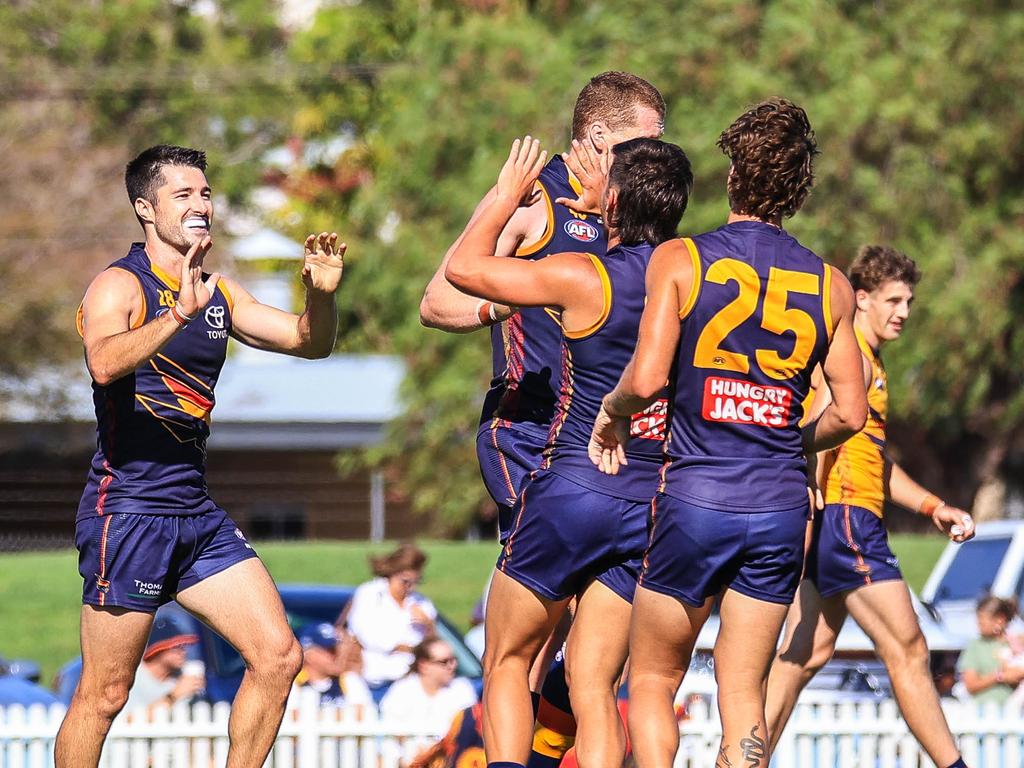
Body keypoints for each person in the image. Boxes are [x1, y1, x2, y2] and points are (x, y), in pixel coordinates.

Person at [588, 99, 868, 768]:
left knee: (651, 681)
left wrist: (611, 412)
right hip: (778, 508)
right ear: (798, 190)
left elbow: (648, 376)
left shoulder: (682, 260)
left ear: (733, 175)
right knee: (743, 693)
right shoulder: (832, 286)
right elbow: (851, 415)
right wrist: (791, 440)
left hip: (696, 498)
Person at [57, 144, 346, 768]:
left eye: (206, 193)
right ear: (145, 208)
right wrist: (176, 314)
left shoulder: (221, 292)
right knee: (105, 694)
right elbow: (104, 361)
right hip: (127, 511)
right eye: (183, 195)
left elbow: (308, 342)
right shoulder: (118, 283)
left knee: (279, 656)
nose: (200, 205)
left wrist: (320, 296)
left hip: (195, 513)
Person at [422, 70, 667, 768]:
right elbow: (437, 301)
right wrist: (517, 299)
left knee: (595, 654)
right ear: (597, 137)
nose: (654, 156)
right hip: (527, 432)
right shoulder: (536, 199)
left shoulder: (630, 214)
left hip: (608, 451)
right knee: (532, 636)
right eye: (641, 143)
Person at [764, 245, 974, 768]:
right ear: (861, 298)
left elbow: (873, 459)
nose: (904, 311)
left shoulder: (873, 363)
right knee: (910, 649)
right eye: (893, 299)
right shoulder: (850, 354)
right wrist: (806, 505)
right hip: (846, 518)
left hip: (845, 515)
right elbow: (812, 429)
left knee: (802, 655)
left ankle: (741, 758)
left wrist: (932, 507)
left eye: (910, 301)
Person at [346, 543, 438, 692]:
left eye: (416, 581)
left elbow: (434, 644)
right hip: (373, 682)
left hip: (411, 683)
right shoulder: (370, 593)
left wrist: (428, 624)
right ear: (392, 572)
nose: (411, 587)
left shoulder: (422, 603)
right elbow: (364, 635)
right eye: (406, 581)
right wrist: (405, 647)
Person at [380, 637, 478, 732]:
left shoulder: (462, 689)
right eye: (444, 661)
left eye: (454, 659)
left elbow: (469, 729)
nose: (452, 665)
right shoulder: (402, 691)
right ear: (424, 665)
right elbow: (391, 730)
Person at [122, 616, 204, 715]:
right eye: (176, 646)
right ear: (157, 649)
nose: (183, 652)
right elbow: (130, 719)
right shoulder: (131, 677)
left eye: (183, 646)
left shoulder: (181, 679)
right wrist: (174, 696)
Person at [956, 596, 1024, 706]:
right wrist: (998, 677)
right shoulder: (975, 646)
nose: (978, 626)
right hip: (983, 711)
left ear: (1000, 620)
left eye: (982, 622)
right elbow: (970, 685)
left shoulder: (1015, 643)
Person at [291, 622, 373, 710]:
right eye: (328, 650)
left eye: (335, 649)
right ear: (307, 653)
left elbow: (366, 716)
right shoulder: (293, 684)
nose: (336, 655)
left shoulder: (349, 680)